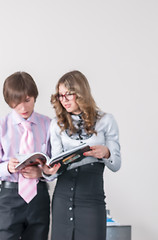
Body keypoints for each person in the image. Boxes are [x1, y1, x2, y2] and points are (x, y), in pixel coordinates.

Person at [44, 70, 121, 240]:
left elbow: (116, 164)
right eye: (60, 96)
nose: (63, 100)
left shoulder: (106, 121)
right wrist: (49, 171)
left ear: (81, 93)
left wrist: (106, 153)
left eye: (68, 95)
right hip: (62, 200)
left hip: (92, 200)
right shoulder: (56, 124)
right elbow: (56, 162)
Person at [0, 71, 52, 240]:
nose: (23, 108)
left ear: (34, 96)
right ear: (9, 102)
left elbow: (56, 164)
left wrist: (42, 172)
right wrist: (7, 167)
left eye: (27, 100)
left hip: (39, 197)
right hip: (9, 198)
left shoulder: (48, 125)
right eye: (17, 103)